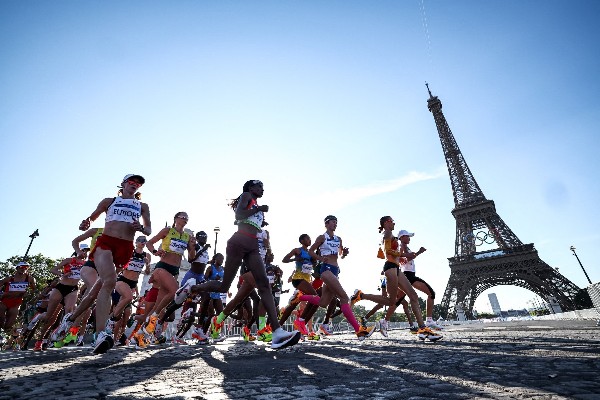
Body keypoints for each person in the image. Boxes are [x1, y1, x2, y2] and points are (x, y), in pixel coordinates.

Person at [192, 180, 300, 349]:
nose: (262, 189)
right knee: (223, 286)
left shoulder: (255, 204)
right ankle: (192, 289)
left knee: (264, 285)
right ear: (251, 188)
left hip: (252, 246)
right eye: (259, 186)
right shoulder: (247, 196)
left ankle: (277, 332)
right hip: (239, 241)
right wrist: (259, 209)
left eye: (263, 187)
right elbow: (239, 215)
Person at [75, 174, 151, 353]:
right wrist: (85, 223)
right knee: (109, 282)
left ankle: (70, 320)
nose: (134, 185)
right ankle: (101, 334)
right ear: (123, 184)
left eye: (138, 184)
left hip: (125, 248)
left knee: (96, 290)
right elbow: (91, 218)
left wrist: (140, 228)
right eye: (131, 182)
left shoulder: (142, 206)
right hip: (106, 242)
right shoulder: (109, 201)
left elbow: (148, 229)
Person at [351, 219, 442, 341]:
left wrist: (398, 256)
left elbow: (381, 254)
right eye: (392, 221)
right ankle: (361, 295)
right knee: (390, 301)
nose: (394, 223)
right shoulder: (387, 233)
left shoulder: (389, 235)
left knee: (413, 296)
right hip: (391, 268)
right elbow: (387, 250)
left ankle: (423, 329)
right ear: (386, 223)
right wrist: (403, 255)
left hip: (396, 268)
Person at [300, 215, 375, 340]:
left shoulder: (338, 239)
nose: (335, 224)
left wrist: (344, 253)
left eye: (336, 222)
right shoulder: (321, 237)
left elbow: (340, 254)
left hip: (335, 270)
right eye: (333, 222)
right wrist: (320, 258)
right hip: (326, 270)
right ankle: (359, 331)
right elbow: (311, 251)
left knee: (323, 302)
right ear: (326, 224)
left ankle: (299, 297)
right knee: (344, 298)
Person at [143, 212, 196, 339]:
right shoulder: (167, 230)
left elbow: (191, 258)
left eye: (186, 218)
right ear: (176, 219)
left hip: (175, 270)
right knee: (174, 291)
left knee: (161, 304)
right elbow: (149, 243)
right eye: (182, 217)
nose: (184, 219)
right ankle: (153, 318)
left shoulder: (187, 236)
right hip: (162, 266)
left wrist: (193, 247)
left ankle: (141, 334)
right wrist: (155, 251)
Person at [35, 246, 88, 350]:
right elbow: (53, 269)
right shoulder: (69, 260)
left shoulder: (86, 264)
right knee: (49, 318)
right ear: (77, 251)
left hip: (73, 289)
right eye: (83, 250)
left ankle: (58, 336)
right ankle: (39, 336)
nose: (84, 253)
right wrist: (62, 274)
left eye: (86, 251)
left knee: (69, 312)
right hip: (60, 288)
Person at [395, 229, 442, 330]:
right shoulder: (402, 247)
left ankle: (384, 321)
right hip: (409, 275)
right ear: (402, 238)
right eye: (407, 236)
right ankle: (428, 320)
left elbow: (405, 260)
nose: (409, 238)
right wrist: (420, 252)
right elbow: (404, 260)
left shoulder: (405, 247)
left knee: (397, 300)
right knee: (431, 293)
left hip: (408, 275)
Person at [0, 262, 36, 337]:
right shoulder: (9, 278)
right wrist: (2, 294)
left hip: (16, 303)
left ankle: (4, 336)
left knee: (9, 324)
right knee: (1, 318)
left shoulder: (29, 278)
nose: (23, 269)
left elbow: (34, 289)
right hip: (4, 301)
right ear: (17, 268)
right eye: (21, 267)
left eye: (26, 268)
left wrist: (28, 293)